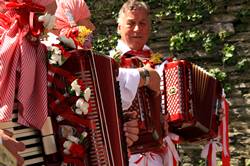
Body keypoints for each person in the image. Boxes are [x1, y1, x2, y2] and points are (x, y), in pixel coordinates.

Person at [110, 0, 166, 165]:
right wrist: (145, 76)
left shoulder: (164, 65)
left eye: (142, 23)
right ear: (119, 27)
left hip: (163, 156)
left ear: (149, 27)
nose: (137, 29)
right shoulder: (110, 63)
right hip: (128, 156)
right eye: (131, 23)